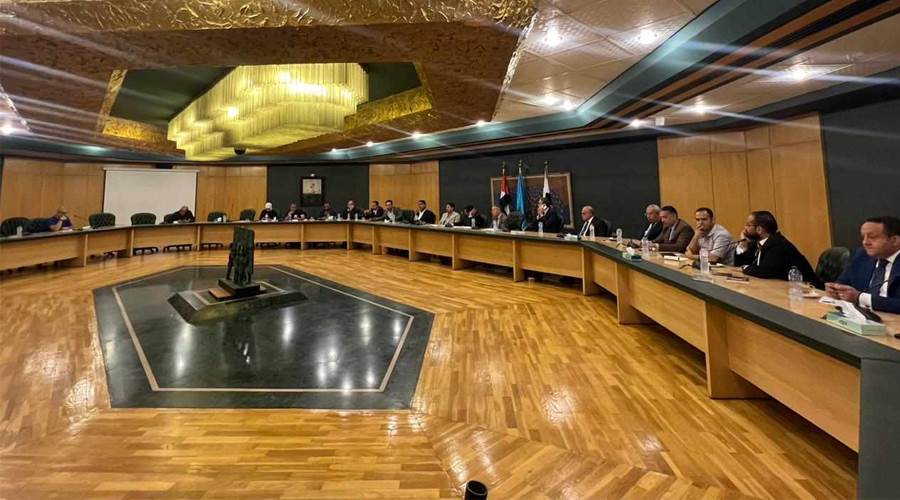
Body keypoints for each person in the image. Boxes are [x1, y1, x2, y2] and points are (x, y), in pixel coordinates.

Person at [827, 216, 900, 313]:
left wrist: (860, 298)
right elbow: (843, 282)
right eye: (863, 237)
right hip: (860, 316)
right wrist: (835, 289)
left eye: (872, 237)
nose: (865, 242)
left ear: (895, 240)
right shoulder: (862, 255)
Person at [734, 210, 821, 287]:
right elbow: (739, 264)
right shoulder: (758, 243)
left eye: (748, 225)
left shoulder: (778, 245)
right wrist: (743, 243)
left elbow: (764, 272)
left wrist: (745, 267)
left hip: (808, 289)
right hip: (782, 287)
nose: (745, 228)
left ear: (759, 229)